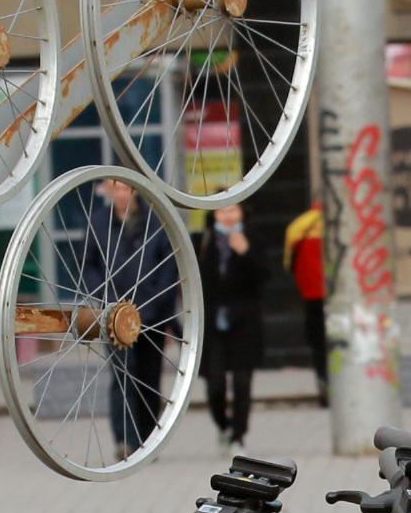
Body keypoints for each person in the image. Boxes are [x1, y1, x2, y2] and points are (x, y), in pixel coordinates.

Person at [81, 177, 180, 459]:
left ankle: (149, 440)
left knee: (149, 377)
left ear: (135, 190)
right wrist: (108, 301)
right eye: (115, 188)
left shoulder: (156, 221)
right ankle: (125, 439)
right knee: (122, 375)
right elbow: (88, 265)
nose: (120, 194)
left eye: (124, 188)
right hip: (114, 317)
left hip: (151, 315)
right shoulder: (99, 222)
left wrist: (151, 305)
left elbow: (168, 267)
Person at [195, 202, 271, 452]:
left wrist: (245, 252)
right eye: (222, 210)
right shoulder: (203, 242)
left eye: (233, 210)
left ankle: (238, 435)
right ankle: (223, 426)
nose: (228, 216)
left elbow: (265, 275)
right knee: (214, 383)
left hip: (244, 324)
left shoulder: (252, 238)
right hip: (213, 323)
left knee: (242, 382)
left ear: (242, 212)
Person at [284, 202, 331, 388]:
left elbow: (288, 263)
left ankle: (323, 379)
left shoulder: (299, 226)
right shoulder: (341, 221)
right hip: (339, 295)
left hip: (312, 294)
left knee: (318, 341)